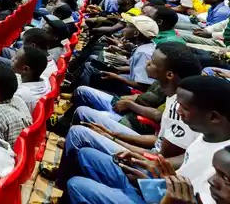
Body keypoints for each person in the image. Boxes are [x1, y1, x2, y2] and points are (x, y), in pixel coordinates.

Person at [43, 42, 203, 187]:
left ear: (169, 75)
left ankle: (62, 182)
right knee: (82, 113)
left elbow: (156, 156)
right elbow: (158, 139)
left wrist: (112, 138)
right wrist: (113, 135)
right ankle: (68, 163)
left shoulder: (181, 108)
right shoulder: (172, 96)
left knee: (79, 134)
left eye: (153, 62)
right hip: (147, 149)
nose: (148, 63)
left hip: (148, 165)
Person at [65, 75, 230, 204]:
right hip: (158, 189)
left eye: (185, 108)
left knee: (77, 185)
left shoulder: (224, 162)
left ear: (214, 117)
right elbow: (179, 167)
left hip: (163, 198)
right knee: (87, 155)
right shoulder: (205, 135)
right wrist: (148, 170)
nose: (178, 111)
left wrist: (115, 139)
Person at [10, 47, 51, 113]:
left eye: (16, 58)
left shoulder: (19, 95)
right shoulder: (45, 79)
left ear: (25, 69)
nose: (12, 59)